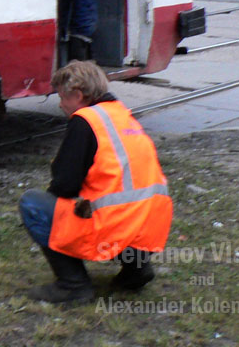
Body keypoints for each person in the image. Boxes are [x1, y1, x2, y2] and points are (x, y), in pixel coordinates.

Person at [18, 61, 173, 303]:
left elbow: (64, 186)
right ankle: (136, 268)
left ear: (78, 95)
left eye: (62, 97)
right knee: (122, 210)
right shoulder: (123, 115)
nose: (60, 104)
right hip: (151, 225)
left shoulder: (85, 120)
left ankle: (73, 285)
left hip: (116, 224)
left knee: (34, 204)